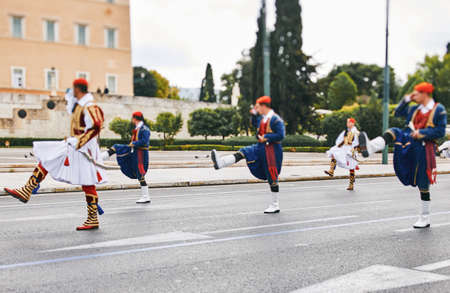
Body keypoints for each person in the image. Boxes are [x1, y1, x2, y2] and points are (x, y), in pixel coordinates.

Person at [4, 78, 107, 231]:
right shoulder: (81, 105)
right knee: (48, 158)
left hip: (83, 148)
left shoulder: (89, 106)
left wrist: (79, 141)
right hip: (74, 145)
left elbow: (97, 126)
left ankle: (92, 218)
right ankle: (27, 190)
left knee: (87, 182)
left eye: (74, 89)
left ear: (78, 89)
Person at [358, 82, 447, 228]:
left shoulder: (438, 109)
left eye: (417, 93)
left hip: (424, 147)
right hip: (410, 140)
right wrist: (405, 100)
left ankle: (425, 217)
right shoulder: (414, 109)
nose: (414, 95)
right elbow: (397, 113)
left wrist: (422, 133)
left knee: (423, 183)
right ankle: (370, 147)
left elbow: (441, 131)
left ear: (425, 94)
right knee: (394, 131)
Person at [211, 96, 285, 213]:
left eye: (258, 106)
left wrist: (266, 137)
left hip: (272, 150)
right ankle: (221, 163)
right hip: (260, 147)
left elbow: (281, 135)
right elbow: (255, 124)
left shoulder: (275, 119)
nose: (256, 108)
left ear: (264, 106)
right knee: (244, 151)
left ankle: (275, 204)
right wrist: (254, 115)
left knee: (272, 176)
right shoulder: (263, 118)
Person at [101, 112, 151, 204]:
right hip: (135, 152)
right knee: (117, 147)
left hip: (141, 153)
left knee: (140, 174)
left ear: (135, 119)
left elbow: (145, 141)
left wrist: (134, 143)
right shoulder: (139, 128)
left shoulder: (144, 129)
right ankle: (103, 156)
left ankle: (146, 196)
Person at [325, 118, 360, 190]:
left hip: (351, 150)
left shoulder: (355, 132)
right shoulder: (346, 131)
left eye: (349, 122)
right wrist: (339, 145)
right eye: (347, 122)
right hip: (344, 149)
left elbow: (353, 142)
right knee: (334, 153)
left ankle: (351, 184)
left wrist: (346, 142)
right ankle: (331, 171)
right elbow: (341, 140)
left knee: (351, 167)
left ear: (353, 123)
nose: (347, 124)